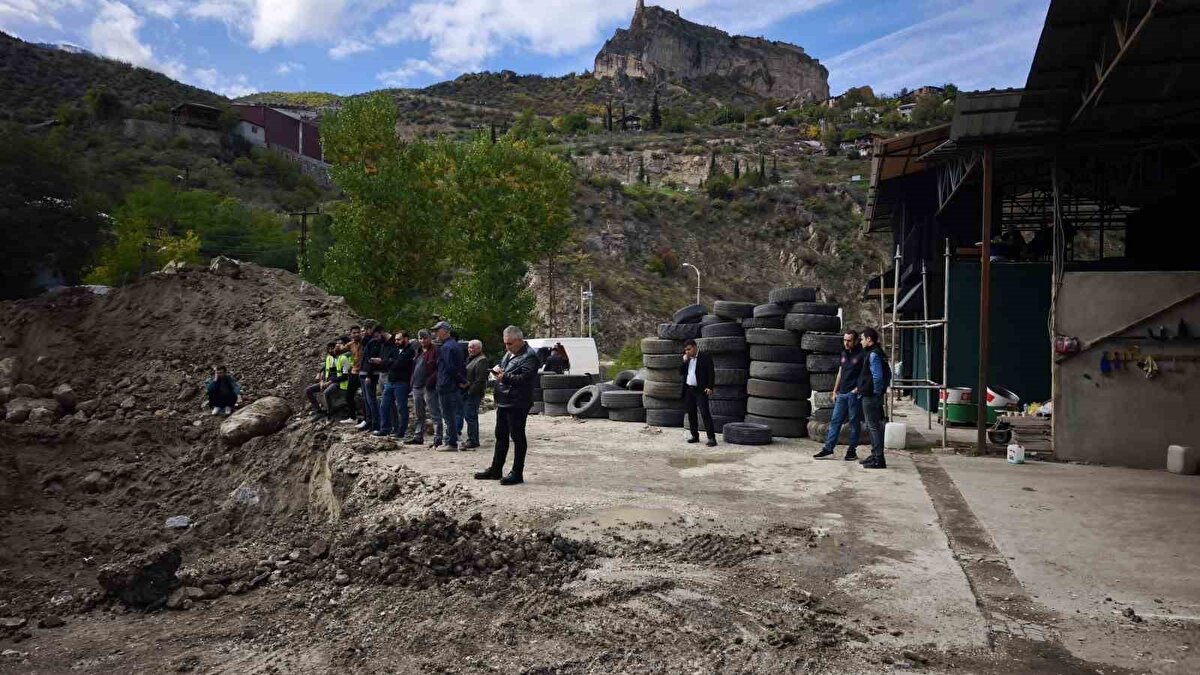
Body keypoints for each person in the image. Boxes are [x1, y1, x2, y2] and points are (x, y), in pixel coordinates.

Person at [475, 325, 538, 485]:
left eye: (509, 343)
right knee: (500, 436)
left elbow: (525, 379)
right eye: (505, 343)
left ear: (519, 340)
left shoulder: (530, 356)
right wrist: (498, 371)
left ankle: (517, 473)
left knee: (517, 437)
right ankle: (496, 469)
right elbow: (505, 368)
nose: (507, 347)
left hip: (517, 402)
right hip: (504, 401)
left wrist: (505, 377)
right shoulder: (510, 353)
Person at [814, 330, 864, 461]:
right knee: (835, 421)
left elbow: (865, 375)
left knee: (854, 423)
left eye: (849, 341)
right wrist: (834, 391)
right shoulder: (843, 353)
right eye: (844, 340)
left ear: (856, 341)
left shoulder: (862, 354)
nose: (846, 343)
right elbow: (840, 373)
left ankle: (851, 451)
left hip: (854, 394)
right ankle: (828, 449)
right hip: (841, 393)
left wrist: (857, 389)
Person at [856, 327, 892, 469]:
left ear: (869, 339)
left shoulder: (873, 355)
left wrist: (876, 393)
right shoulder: (879, 353)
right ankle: (875, 454)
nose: (861, 342)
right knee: (872, 426)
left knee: (873, 427)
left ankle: (878, 458)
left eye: (862, 339)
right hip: (872, 394)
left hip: (871, 395)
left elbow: (877, 377)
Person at [432, 320, 466, 452]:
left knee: (448, 415)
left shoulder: (446, 347)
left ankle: (450, 442)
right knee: (453, 413)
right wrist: (461, 380)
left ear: (445, 331)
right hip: (452, 384)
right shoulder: (455, 345)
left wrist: (460, 380)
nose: (435, 333)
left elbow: (450, 367)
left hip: (446, 384)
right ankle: (451, 440)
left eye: (437, 331)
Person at [375, 330, 415, 439]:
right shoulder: (395, 349)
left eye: (399, 339)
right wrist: (389, 361)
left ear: (406, 339)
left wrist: (388, 362)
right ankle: (385, 429)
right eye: (396, 339)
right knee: (384, 405)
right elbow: (388, 362)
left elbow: (399, 364)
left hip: (402, 383)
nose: (396, 341)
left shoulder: (410, 351)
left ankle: (401, 431)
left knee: (401, 407)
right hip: (391, 381)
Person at [679, 339, 717, 447]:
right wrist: (684, 361)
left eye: (689, 349)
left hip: (700, 390)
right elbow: (680, 372)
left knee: (705, 413)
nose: (687, 352)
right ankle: (694, 436)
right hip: (689, 389)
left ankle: (711, 438)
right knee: (691, 414)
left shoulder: (705, 357)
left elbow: (711, 373)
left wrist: (710, 387)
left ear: (695, 347)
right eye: (686, 350)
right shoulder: (687, 358)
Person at [405, 330, 441, 446]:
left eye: (425, 338)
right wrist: (412, 381)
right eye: (420, 338)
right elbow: (414, 367)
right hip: (416, 386)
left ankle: (438, 437)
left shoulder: (435, 350)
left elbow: (438, 368)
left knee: (434, 412)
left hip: (428, 386)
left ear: (430, 338)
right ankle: (418, 436)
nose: (423, 340)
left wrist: (431, 381)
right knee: (419, 414)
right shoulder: (418, 351)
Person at [459, 339, 489, 449]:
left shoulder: (481, 360)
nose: (470, 349)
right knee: (469, 416)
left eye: (473, 347)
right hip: (467, 391)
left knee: (470, 416)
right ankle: (472, 439)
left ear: (479, 348)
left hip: (473, 393)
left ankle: (473, 440)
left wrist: (469, 391)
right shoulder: (471, 359)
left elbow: (480, 380)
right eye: (469, 347)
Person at [358, 324, 385, 431]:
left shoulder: (374, 342)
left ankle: (375, 424)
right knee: (367, 400)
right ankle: (370, 421)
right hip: (365, 373)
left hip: (370, 375)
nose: (363, 332)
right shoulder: (368, 342)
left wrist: (369, 375)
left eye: (365, 330)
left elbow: (371, 360)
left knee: (371, 400)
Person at [305, 341, 338, 417]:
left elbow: (338, 374)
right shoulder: (329, 358)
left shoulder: (339, 358)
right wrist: (322, 381)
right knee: (308, 390)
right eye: (329, 349)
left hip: (335, 381)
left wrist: (329, 382)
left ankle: (330, 412)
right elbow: (326, 369)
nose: (330, 350)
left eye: (332, 348)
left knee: (326, 392)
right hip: (327, 381)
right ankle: (318, 411)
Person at [341, 325, 363, 424]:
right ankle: (353, 417)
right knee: (349, 395)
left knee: (366, 397)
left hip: (364, 372)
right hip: (354, 372)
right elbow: (340, 351)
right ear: (350, 335)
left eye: (358, 332)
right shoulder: (350, 344)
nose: (357, 334)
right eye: (354, 333)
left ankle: (367, 419)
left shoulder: (365, 342)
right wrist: (337, 348)